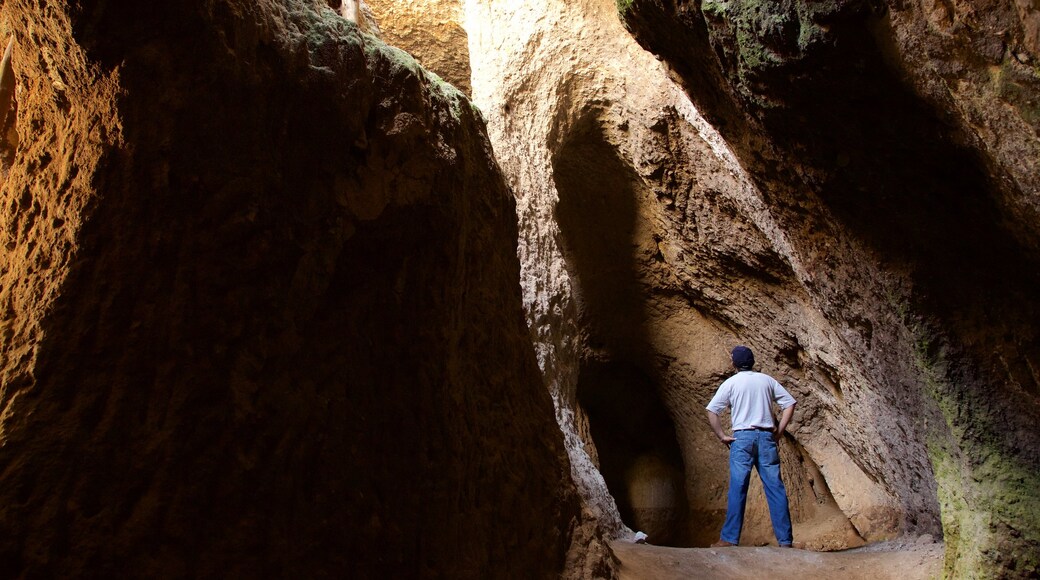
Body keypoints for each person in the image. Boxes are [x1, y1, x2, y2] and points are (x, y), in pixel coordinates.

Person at [705, 345, 797, 548]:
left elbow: (712, 411)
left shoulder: (731, 383)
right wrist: (779, 432)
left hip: (742, 439)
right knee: (775, 488)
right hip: (766, 438)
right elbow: (789, 404)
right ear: (753, 361)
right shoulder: (766, 380)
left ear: (734, 363)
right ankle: (785, 540)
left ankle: (729, 539)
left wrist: (722, 436)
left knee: (738, 488)